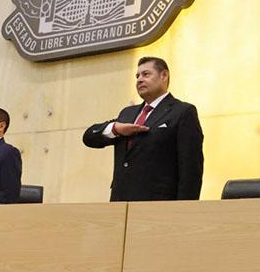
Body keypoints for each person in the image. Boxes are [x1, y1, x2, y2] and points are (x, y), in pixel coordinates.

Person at [82, 56, 204, 201]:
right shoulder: (128, 113)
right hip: (120, 203)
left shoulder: (182, 112)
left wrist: (183, 210)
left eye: (146, 74)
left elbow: (191, 170)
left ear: (164, 75)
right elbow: (89, 137)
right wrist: (115, 129)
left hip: (158, 205)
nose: (139, 79)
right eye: (137, 76)